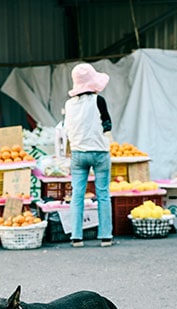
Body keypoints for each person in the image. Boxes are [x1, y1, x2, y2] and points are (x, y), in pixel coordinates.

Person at [63, 63, 113, 247]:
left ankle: (76, 237)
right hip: (100, 153)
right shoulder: (98, 101)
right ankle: (105, 236)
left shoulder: (69, 105)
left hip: (78, 153)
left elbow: (67, 127)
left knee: (77, 194)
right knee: (103, 194)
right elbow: (107, 124)